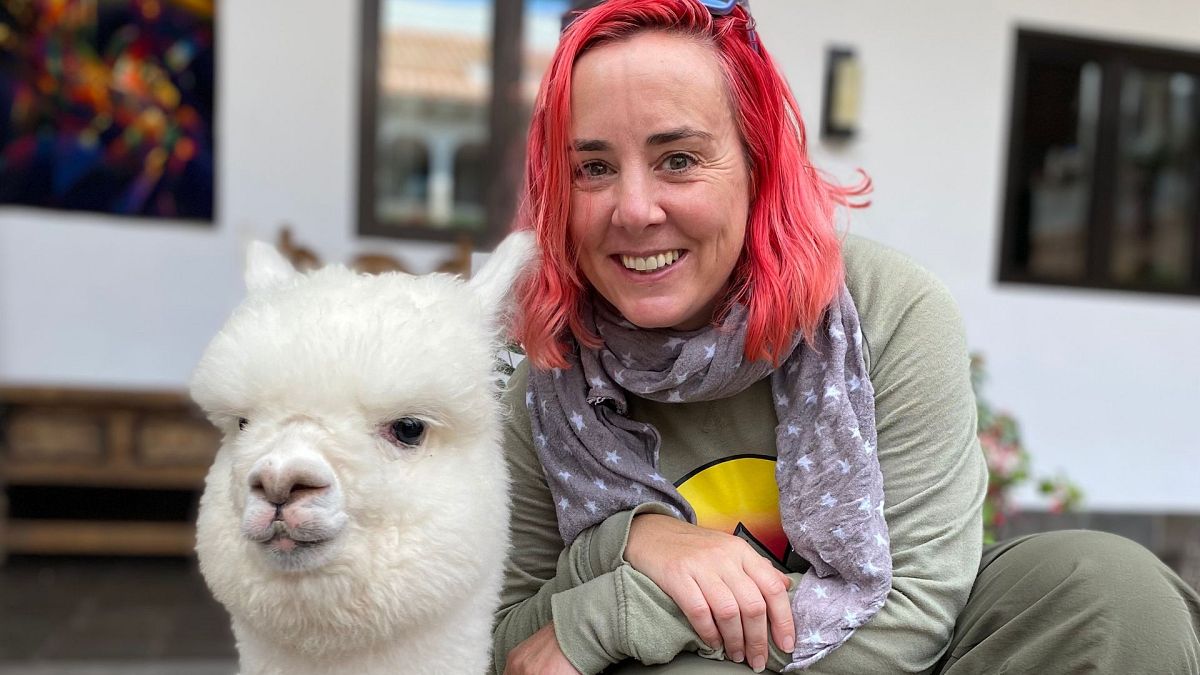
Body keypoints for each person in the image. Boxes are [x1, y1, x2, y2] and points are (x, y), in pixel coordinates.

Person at [491, 0, 1200, 673]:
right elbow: (510, 644)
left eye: (678, 159)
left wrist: (628, 602)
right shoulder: (548, 383)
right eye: (594, 168)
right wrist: (630, 542)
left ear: (758, 164)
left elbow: (915, 611)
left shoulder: (888, 311)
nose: (635, 209)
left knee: (1111, 590)